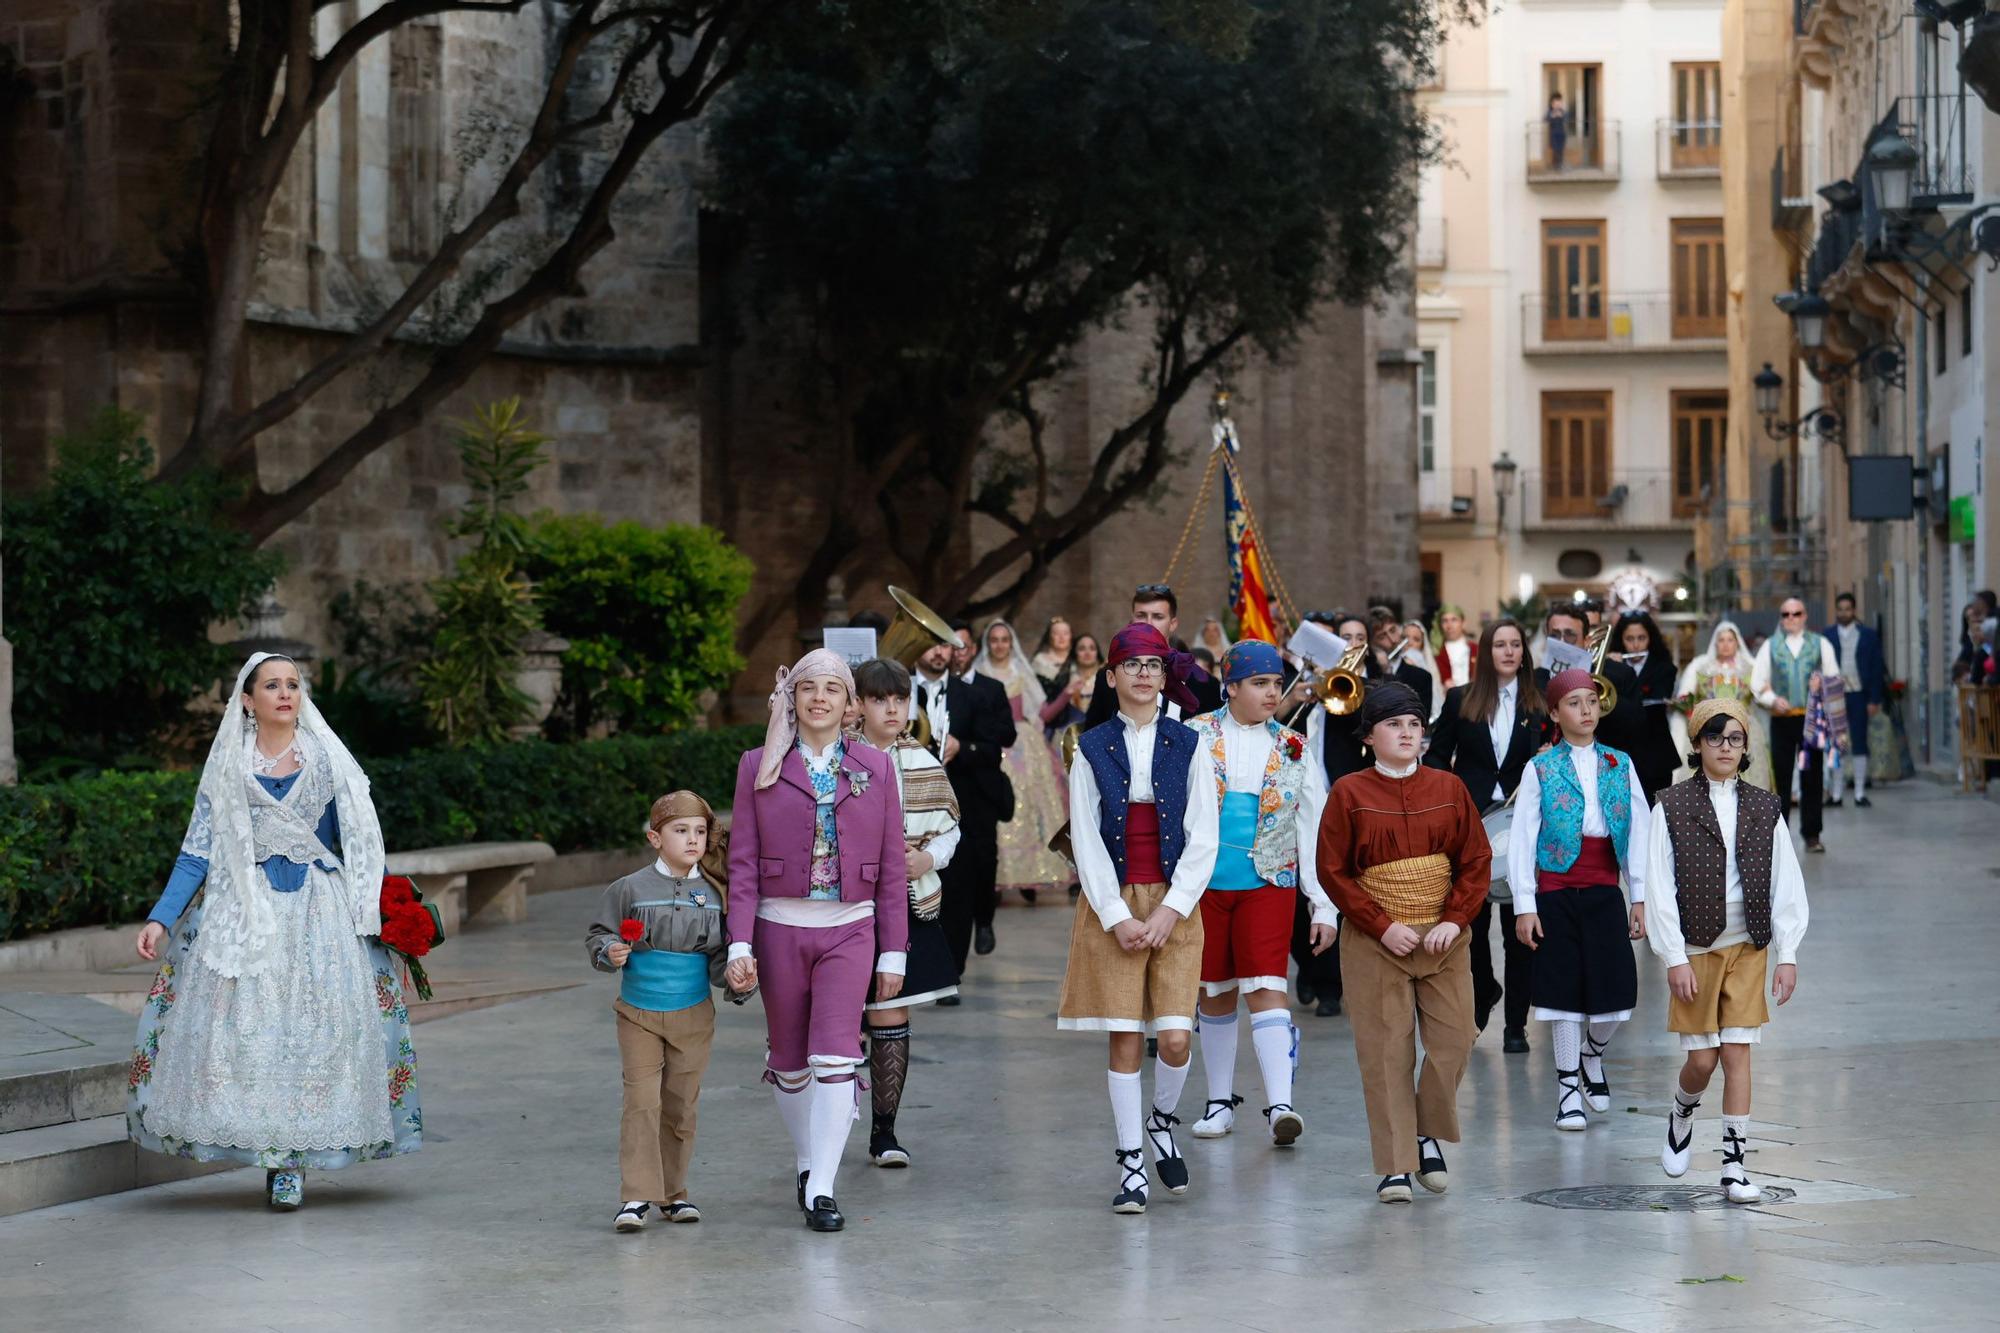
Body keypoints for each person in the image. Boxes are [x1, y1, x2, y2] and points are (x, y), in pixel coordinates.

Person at [129, 653, 418, 1211]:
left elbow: (356, 845)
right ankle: (266, 1148)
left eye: (293, 684)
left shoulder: (327, 761)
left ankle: (293, 1164)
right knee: (242, 1034)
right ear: (247, 700)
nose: (285, 693)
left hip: (318, 914)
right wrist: (161, 917)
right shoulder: (228, 767)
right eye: (272, 685)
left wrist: (383, 915)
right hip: (243, 912)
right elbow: (197, 853)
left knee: (318, 1031)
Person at [724, 649, 910, 1233]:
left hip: (850, 929)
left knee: (834, 1054)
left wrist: (894, 950)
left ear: (849, 703)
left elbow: (893, 866)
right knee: (788, 1062)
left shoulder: (876, 767)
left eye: (834, 688)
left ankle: (823, 1188)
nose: (821, 698)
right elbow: (743, 863)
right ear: (793, 698)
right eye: (810, 688)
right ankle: (807, 1161)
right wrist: (739, 944)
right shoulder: (758, 764)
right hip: (778, 929)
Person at [1059, 622, 1220, 1214]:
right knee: (1125, 1036)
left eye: (1154, 664)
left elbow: (1204, 835)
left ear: (1164, 675)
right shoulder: (1090, 744)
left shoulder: (1190, 743)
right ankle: (1131, 1164)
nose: (1144, 673)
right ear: (1112, 676)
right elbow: (1085, 836)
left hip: (1177, 900)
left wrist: (1174, 907)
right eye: (1132, 665)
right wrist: (1115, 913)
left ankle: (1161, 1121)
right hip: (1115, 902)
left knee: (1175, 1039)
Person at [1316, 682, 1490, 1204]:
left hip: (1443, 937)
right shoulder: (1349, 792)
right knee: (1385, 1050)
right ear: (1369, 737)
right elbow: (1332, 869)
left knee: (1457, 1038)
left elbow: (1476, 860)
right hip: (1377, 940)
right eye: (1394, 724)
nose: (1407, 733)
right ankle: (1395, 1166)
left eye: (1414, 724)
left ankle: (1423, 1131)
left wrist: (1455, 918)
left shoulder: (1449, 786)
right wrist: (1378, 922)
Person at [1646, 699, 1809, 1203]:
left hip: (1748, 945)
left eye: (1735, 738)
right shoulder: (1670, 806)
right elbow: (1659, 885)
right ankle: (1682, 1108)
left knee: (1738, 1054)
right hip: (1695, 948)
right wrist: (1673, 956)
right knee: (1704, 1060)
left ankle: (1734, 1166)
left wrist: (1788, 953)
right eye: (1715, 738)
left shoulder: (1765, 806)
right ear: (1696, 745)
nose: (1726, 747)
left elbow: (1787, 882)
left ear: (1747, 746)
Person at [1185, 640, 1337, 1146]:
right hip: (1204, 886)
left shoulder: (1295, 746)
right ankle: (1219, 1103)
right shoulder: (1194, 736)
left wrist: (1323, 904)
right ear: (1230, 687)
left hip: (1269, 884)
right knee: (1215, 991)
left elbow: (1314, 829)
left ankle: (1280, 1105)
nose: (1272, 692)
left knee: (1267, 985)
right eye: (1259, 683)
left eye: (1276, 683)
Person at [585, 791, 750, 1232]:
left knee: (680, 1105)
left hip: (693, 1014)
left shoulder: (718, 894)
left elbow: (720, 959)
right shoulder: (629, 888)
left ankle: (674, 1194)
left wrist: (737, 982)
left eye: (700, 831)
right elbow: (598, 934)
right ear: (655, 838)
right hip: (638, 1011)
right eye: (681, 831)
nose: (693, 840)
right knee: (641, 1100)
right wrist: (609, 951)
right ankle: (636, 1195)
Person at [1509, 668, 1652, 1132]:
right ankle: (1568, 1088)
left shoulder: (1621, 763)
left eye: (1591, 700)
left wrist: (1640, 895)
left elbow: (1639, 831)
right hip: (1555, 890)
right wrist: (1525, 905)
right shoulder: (1541, 768)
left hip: (1604, 888)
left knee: (1616, 993)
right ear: (1554, 712)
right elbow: (1522, 839)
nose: (1585, 710)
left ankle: (1594, 1051)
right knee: (1561, 993)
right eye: (1573, 703)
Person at [851, 659, 964, 1167]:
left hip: (907, 901)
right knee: (840, 1022)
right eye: (880, 699)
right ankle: (829, 1128)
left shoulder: (921, 758)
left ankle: (884, 1133)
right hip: (844, 905)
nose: (893, 708)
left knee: (891, 1015)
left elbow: (951, 826)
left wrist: (928, 857)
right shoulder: (839, 758)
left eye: (900, 698)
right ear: (858, 704)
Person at [1425, 618, 1547, 1053]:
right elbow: (1437, 753)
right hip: (1472, 824)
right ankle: (1482, 999)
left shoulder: (1538, 702)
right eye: (1500, 645)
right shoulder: (1462, 699)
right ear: (1486, 652)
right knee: (1470, 923)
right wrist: (1450, 792)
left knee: (1521, 927)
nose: (1509, 652)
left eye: (1516, 644)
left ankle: (1516, 1025)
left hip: (1522, 826)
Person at [915, 623, 1016, 970]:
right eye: (933, 645)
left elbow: (994, 748)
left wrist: (964, 747)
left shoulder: (974, 695)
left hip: (964, 801)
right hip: (910, 806)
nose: (941, 652)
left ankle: (949, 970)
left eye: (947, 646)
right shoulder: (899, 693)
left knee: (958, 886)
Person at [976, 619, 1073, 903]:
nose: (1000, 645)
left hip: (1024, 744)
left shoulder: (1021, 670)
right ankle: (997, 876)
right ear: (988, 643)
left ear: (1011, 642)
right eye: (994, 639)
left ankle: (1031, 875)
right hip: (993, 743)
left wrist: (1067, 694)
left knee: (1031, 808)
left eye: (1004, 639)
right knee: (998, 809)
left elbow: (1041, 712)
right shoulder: (981, 672)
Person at [1750, 598, 1838, 853]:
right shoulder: (1770, 646)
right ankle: (1780, 836)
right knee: (1781, 777)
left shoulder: (1820, 644)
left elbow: (1834, 677)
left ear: (1805, 615)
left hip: (1811, 719)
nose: (1791, 618)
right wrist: (1772, 699)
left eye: (1796, 613)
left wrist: (1821, 685)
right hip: (1782, 719)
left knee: (1812, 776)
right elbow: (1757, 682)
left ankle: (1812, 834)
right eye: (1786, 614)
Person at [1674, 620, 1773, 790]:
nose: (1726, 644)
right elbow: (1684, 698)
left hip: (1744, 728)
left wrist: (1768, 693)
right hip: (1711, 727)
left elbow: (1763, 696)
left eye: (1730, 640)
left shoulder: (1751, 668)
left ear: (1737, 642)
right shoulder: (1702, 668)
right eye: (1721, 640)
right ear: (1715, 643)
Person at [1541, 605, 1645, 760]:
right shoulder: (1536, 679)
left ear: (1587, 641)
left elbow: (1637, 725)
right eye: (1555, 635)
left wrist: (1591, 688)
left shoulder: (1620, 674)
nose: (1562, 642)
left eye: (1570, 635)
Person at [1824, 593, 1887, 808]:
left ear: (1854, 610)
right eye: (1840, 609)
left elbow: (1877, 668)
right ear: (1836, 611)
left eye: (1848, 608)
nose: (1844, 613)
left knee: (1860, 742)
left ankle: (1860, 792)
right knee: (1836, 744)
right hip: (1834, 696)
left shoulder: (1868, 635)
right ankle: (1837, 793)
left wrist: (1874, 699)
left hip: (1860, 694)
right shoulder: (1827, 636)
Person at [1612, 610, 1681, 800]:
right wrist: (1613, 668)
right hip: (1621, 752)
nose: (1635, 645)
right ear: (1621, 640)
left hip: (1655, 755)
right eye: (1629, 639)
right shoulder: (1610, 667)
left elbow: (1653, 701)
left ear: (1650, 638)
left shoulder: (1665, 668)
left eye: (1641, 638)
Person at [1043, 633, 1103, 734]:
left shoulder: (1108, 678)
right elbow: (1046, 716)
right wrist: (1066, 693)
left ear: (1097, 653)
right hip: (1068, 736)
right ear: (1074, 653)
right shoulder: (1063, 679)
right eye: (1082, 648)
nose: (1087, 653)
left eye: (1092, 648)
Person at [1405, 619, 1446, 721]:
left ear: (1422, 645)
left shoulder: (1426, 667)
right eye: (1405, 637)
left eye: (1416, 639)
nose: (1410, 643)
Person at [1431, 604, 1477, 691]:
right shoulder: (1436, 652)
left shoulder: (1476, 649)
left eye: (1454, 620)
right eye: (1445, 621)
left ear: (1463, 623)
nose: (1449, 625)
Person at [1031, 616, 1075, 698]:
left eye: (1065, 633)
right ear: (1049, 637)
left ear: (1071, 636)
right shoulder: (1040, 660)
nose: (1061, 637)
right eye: (1056, 633)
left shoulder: (1077, 661)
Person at [1545, 92, 1569, 169]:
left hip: (1561, 134)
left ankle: (1560, 164)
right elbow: (1546, 119)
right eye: (1556, 103)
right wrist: (1553, 115)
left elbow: (1566, 118)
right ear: (1552, 104)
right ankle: (1555, 165)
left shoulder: (1562, 111)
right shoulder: (1550, 111)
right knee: (1555, 150)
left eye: (1559, 103)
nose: (1558, 105)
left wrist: (1561, 116)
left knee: (1561, 150)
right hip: (1553, 134)